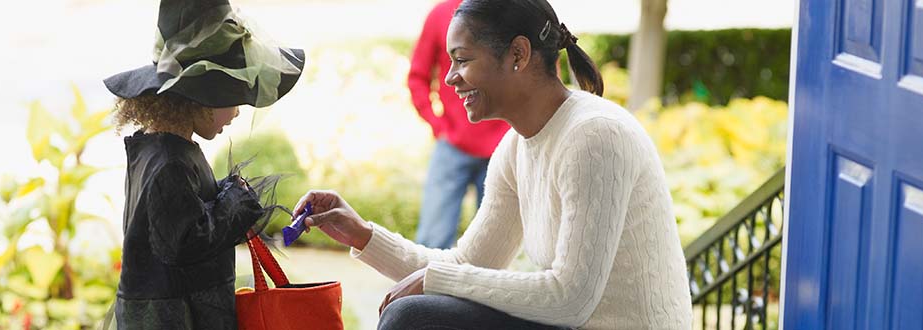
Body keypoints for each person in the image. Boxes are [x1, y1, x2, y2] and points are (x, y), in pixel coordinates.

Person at [293, 0, 692, 328]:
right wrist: (362, 234)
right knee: (414, 315)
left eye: (462, 60)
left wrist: (434, 281)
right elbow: (466, 264)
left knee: (412, 318)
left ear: (518, 54)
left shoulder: (596, 136)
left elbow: (570, 299)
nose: (449, 79)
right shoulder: (517, 146)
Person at [100, 0, 305, 328]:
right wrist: (235, 202)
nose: (237, 113)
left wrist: (225, 192)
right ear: (202, 94)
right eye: (233, 98)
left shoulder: (163, 150)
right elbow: (186, 242)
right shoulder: (170, 163)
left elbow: (182, 216)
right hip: (176, 317)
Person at [408, 0, 511, 249]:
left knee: (496, 247)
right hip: (453, 144)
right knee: (432, 241)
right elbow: (417, 77)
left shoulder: (511, 11)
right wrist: (438, 125)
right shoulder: (441, 14)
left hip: (504, 145)